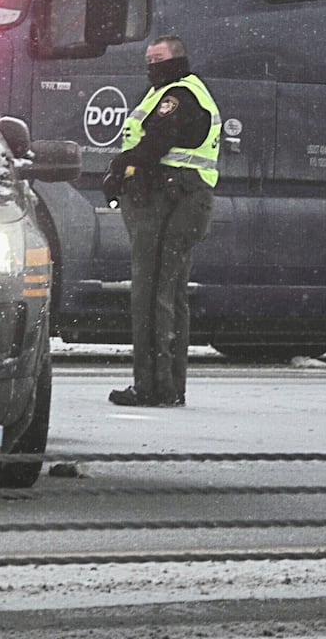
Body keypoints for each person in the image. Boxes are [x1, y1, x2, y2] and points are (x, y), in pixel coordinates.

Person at [103, 35, 221, 407]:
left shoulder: (179, 96)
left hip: (173, 200)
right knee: (168, 293)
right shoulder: (173, 93)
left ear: (177, 59)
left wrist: (120, 167)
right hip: (181, 198)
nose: (151, 65)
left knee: (152, 293)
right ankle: (167, 386)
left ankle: (152, 387)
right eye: (149, 59)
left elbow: (157, 143)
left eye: (158, 58)